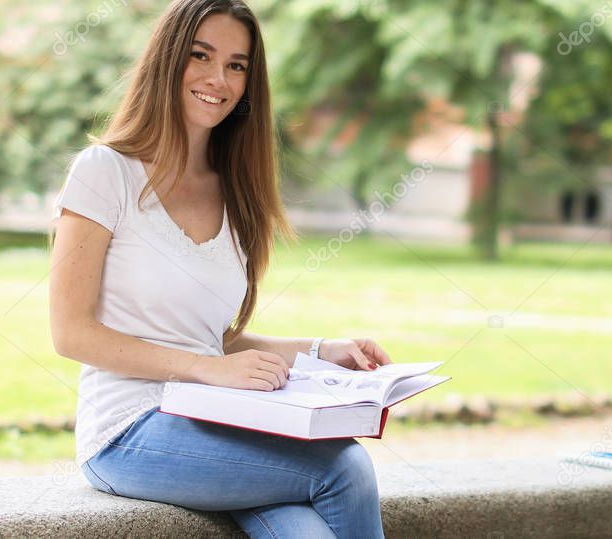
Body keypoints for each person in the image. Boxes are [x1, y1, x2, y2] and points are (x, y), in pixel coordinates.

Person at [48, 1, 392, 537]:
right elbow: (71, 334)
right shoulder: (105, 172)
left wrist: (323, 351)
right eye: (200, 56)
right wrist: (207, 369)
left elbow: (212, 342)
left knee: (307, 532)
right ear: (167, 60)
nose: (218, 78)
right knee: (343, 467)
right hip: (127, 431)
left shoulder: (235, 192)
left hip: (214, 415)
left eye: (237, 65)